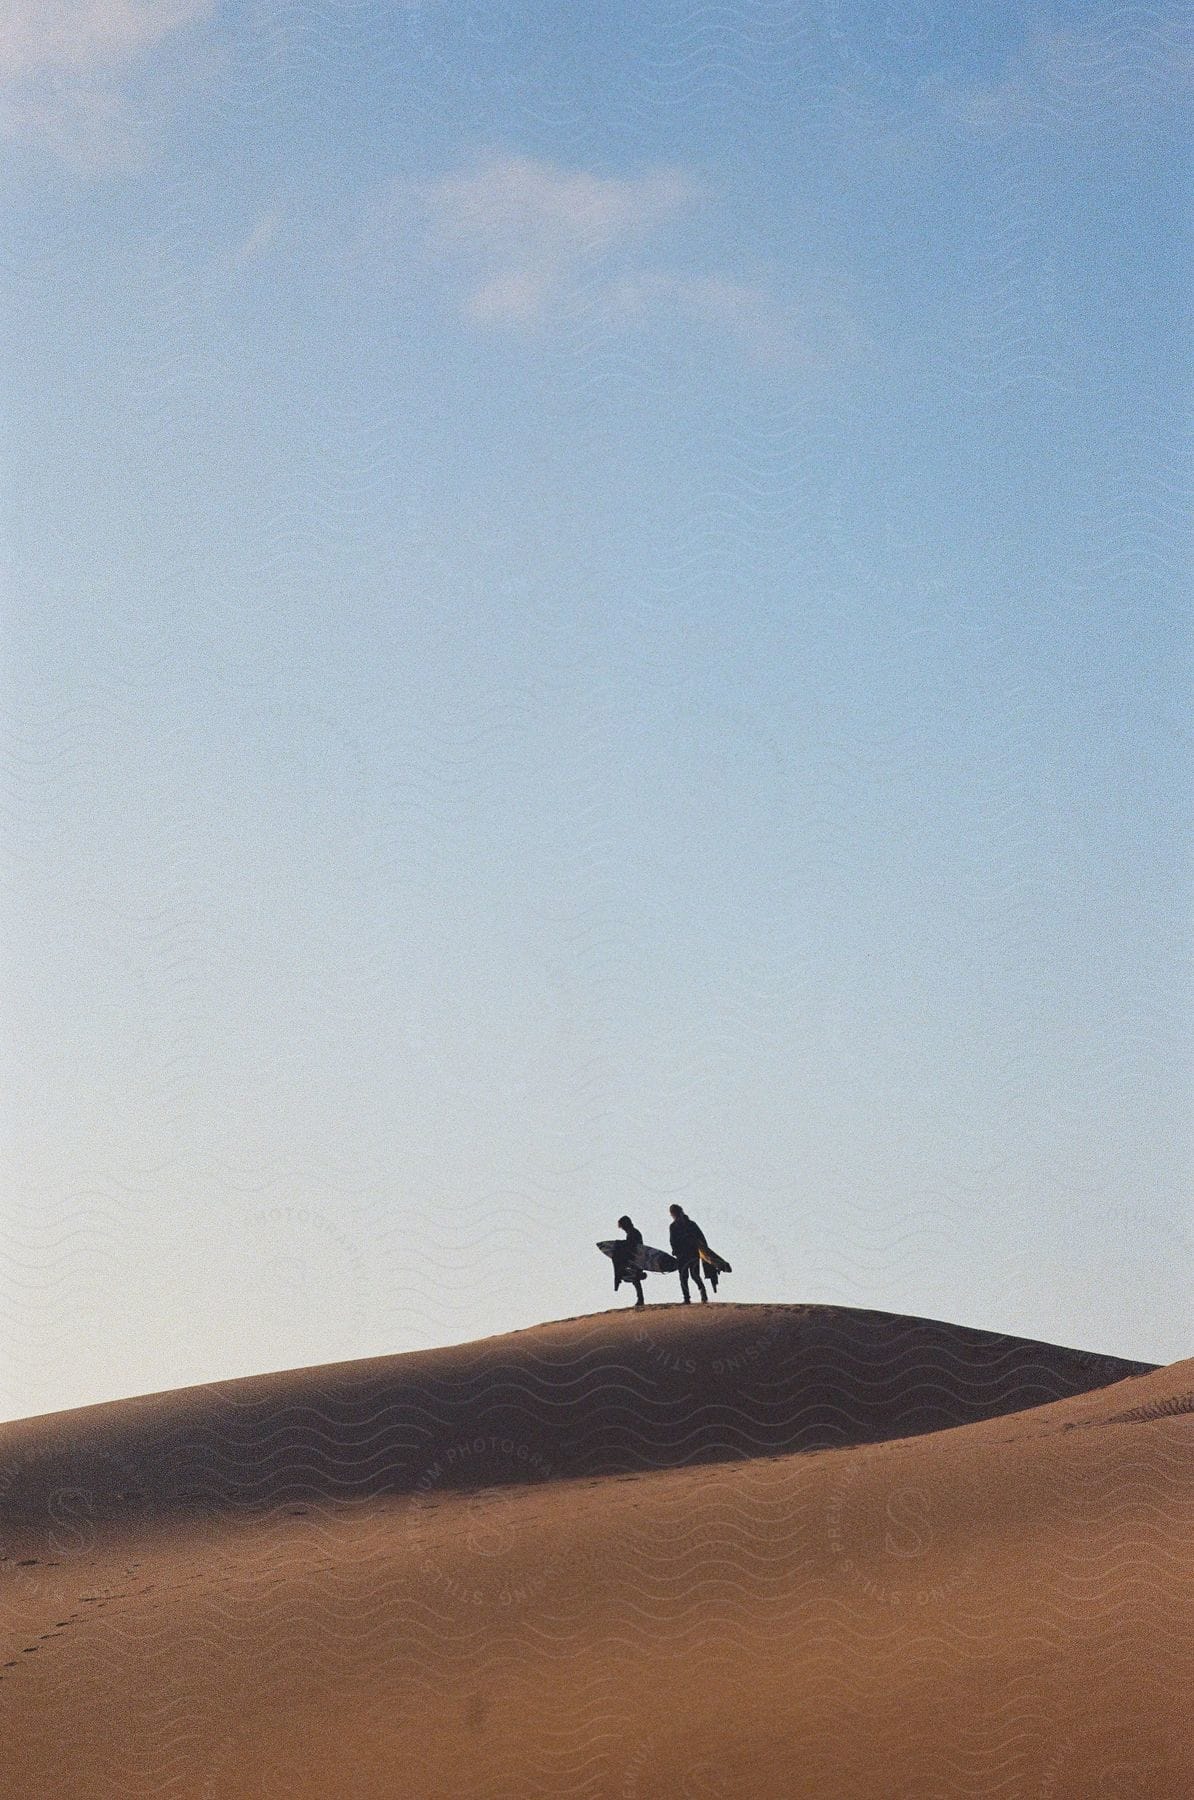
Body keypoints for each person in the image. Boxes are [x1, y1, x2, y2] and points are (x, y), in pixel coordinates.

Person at [668, 1204, 709, 1303]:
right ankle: (687, 1298)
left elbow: (701, 1238)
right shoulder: (674, 1226)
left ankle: (702, 1293)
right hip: (682, 1255)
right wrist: (675, 1250)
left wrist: (704, 1251)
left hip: (692, 1253)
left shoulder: (691, 1224)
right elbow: (672, 1240)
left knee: (694, 1275)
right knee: (684, 1276)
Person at [610, 1214, 645, 1309]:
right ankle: (640, 1299)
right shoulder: (632, 1232)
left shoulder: (633, 1233)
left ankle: (640, 1299)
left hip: (636, 1259)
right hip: (635, 1259)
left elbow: (632, 1246)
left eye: (623, 1227)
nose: (623, 1229)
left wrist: (619, 1244)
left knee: (635, 1279)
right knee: (635, 1280)